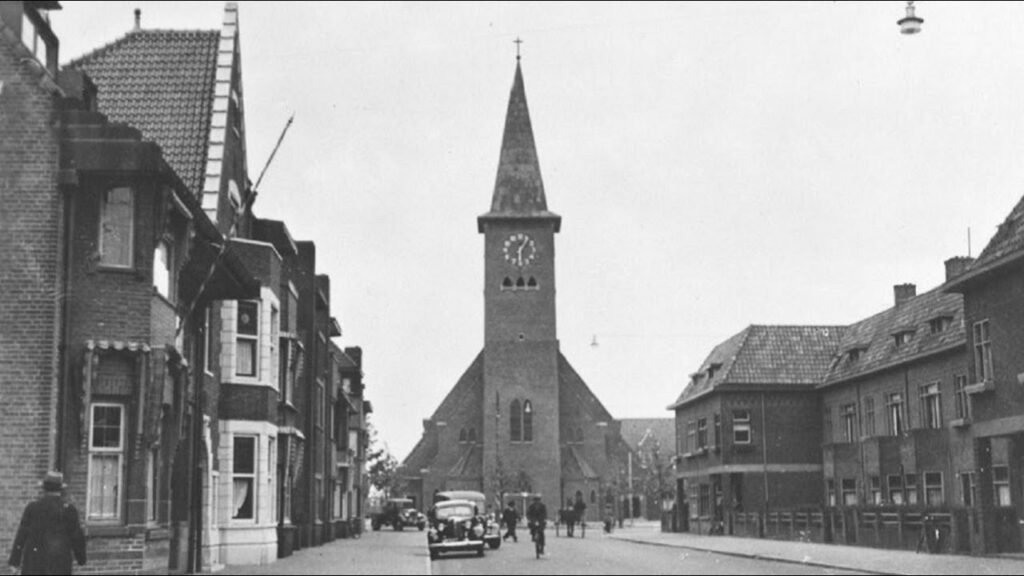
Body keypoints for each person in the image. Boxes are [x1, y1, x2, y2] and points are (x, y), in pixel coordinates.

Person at [8, 471, 86, 575]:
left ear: (44, 488)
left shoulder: (32, 508)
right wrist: (81, 558)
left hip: (34, 563)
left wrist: (14, 562)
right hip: (60, 563)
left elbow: (21, 535)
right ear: (61, 489)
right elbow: (76, 536)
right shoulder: (69, 510)